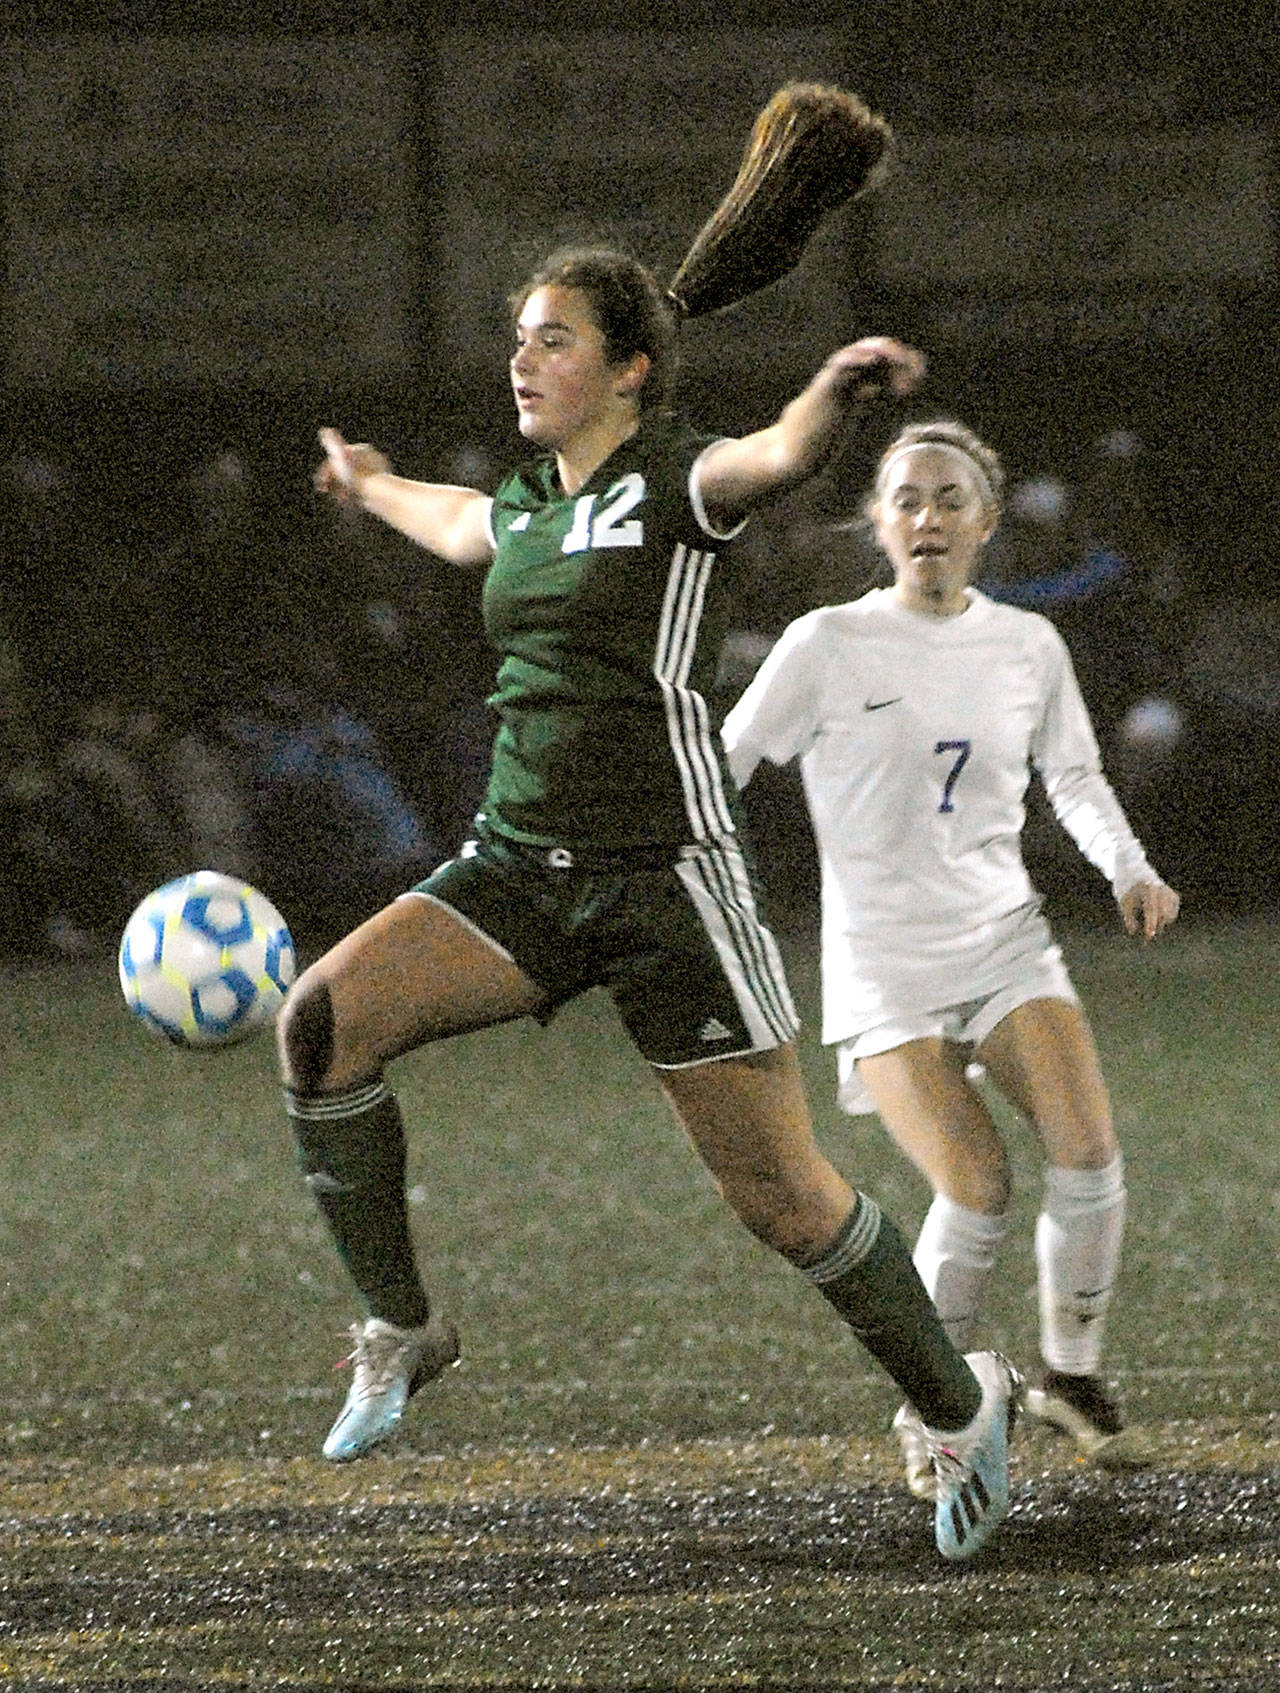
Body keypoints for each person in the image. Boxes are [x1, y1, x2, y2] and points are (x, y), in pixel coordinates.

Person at [282, 84, 1018, 1561]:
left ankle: (959, 1403)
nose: (522, 358)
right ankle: (402, 1323)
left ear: (627, 369)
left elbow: (775, 458)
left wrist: (834, 389)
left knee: (789, 1204)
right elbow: (452, 518)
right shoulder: (530, 507)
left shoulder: (675, 478)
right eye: (519, 336)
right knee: (320, 1024)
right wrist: (367, 483)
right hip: (515, 874)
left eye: (553, 337)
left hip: (667, 882)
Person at [722, 418, 1180, 1500]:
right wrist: (681, 876)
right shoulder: (824, 644)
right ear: (877, 523)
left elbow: (1071, 776)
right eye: (907, 500)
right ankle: (930, 1414)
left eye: (948, 499)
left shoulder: (1025, 646)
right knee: (975, 1188)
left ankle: (1068, 1378)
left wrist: (1126, 865)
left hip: (1003, 938)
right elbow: (724, 762)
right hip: (883, 966)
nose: (926, 517)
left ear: (984, 521)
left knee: (1088, 1154)